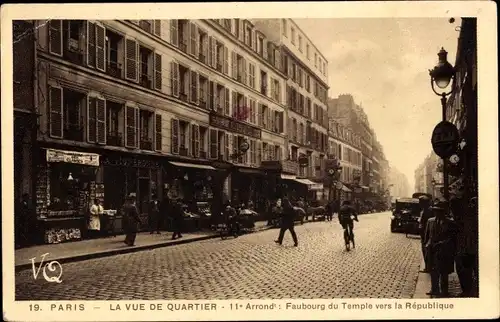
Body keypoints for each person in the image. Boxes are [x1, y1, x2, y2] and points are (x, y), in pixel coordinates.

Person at [423, 202, 458, 298]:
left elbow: (452, 238)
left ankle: (444, 291)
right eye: (436, 211)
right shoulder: (430, 221)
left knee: (444, 272)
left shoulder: (450, 223)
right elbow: (427, 236)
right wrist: (427, 246)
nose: (437, 213)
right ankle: (434, 289)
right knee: (433, 271)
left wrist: (442, 244)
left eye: (439, 211)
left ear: (443, 212)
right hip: (432, 251)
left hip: (444, 251)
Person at [450, 196, 477, 297]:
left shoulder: (466, 217)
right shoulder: (457, 217)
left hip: (467, 248)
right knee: (461, 270)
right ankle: (466, 290)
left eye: (453, 206)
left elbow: (468, 233)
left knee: (466, 270)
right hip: (460, 249)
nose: (452, 208)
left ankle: (468, 291)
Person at [418, 195, 433, 273]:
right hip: (424, 233)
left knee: (426, 250)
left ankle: (428, 267)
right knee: (425, 250)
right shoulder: (424, 210)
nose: (419, 203)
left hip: (426, 233)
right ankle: (427, 266)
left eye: (420, 202)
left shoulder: (428, 211)